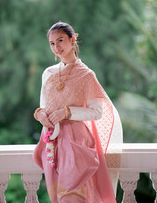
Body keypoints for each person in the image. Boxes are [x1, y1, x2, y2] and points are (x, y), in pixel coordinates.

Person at [33, 21, 123, 203]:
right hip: (52, 142)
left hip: (75, 143)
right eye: (52, 43)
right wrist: (40, 114)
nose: (56, 47)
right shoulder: (48, 74)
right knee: (57, 196)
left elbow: (97, 112)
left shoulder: (86, 75)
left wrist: (67, 112)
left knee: (73, 197)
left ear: (73, 40)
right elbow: (44, 105)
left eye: (60, 40)